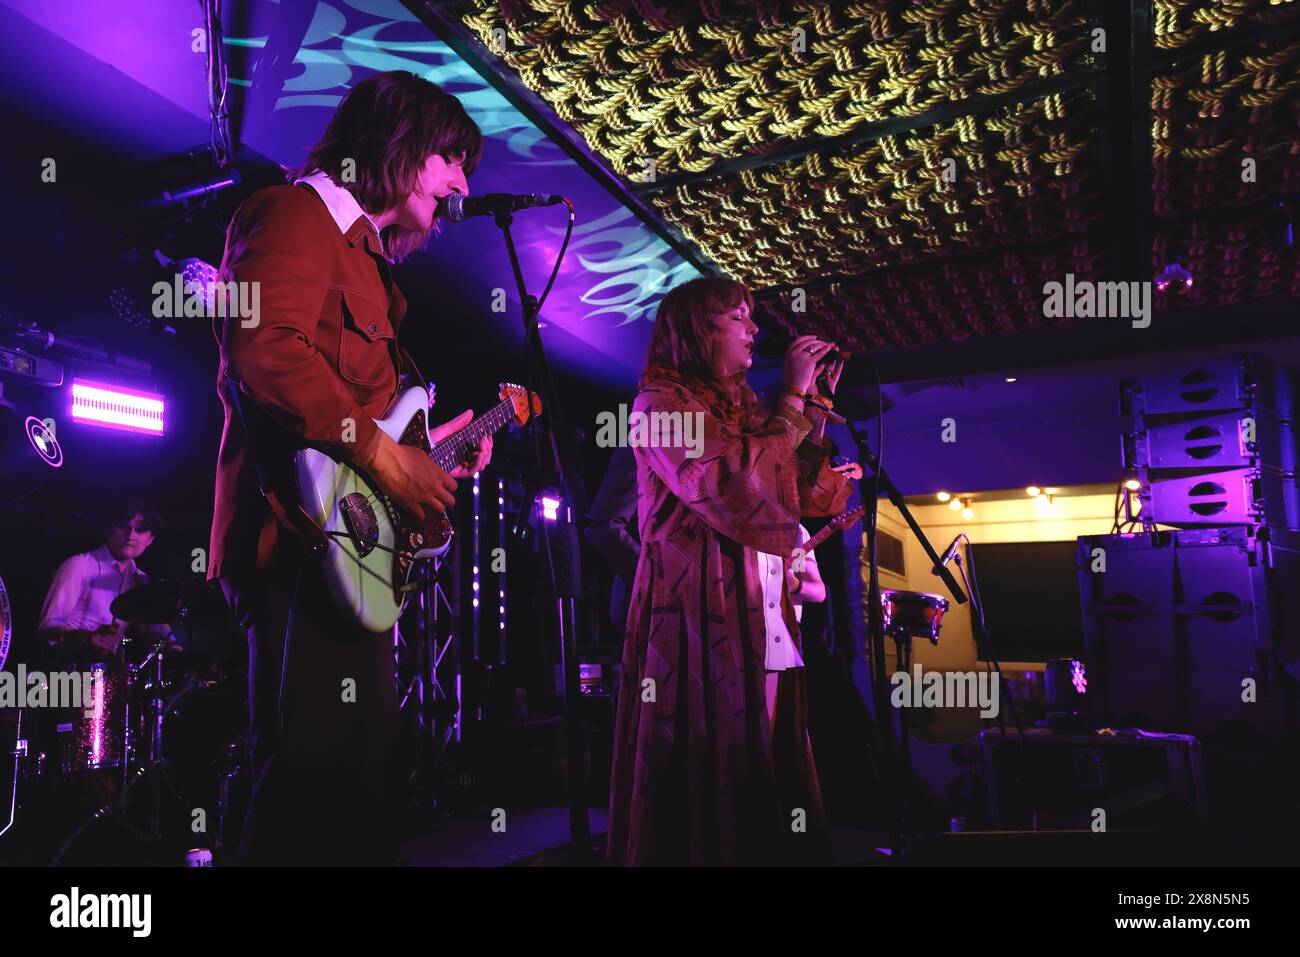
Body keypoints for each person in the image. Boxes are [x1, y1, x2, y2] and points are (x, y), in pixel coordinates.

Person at [209, 70, 491, 864]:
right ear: (395, 143)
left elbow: (374, 417)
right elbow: (263, 350)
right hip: (296, 545)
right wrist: (382, 455)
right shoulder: (293, 213)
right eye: (449, 157)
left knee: (359, 791)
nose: (462, 184)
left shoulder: (370, 264)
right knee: (308, 790)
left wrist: (429, 454)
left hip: (348, 545)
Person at [606, 275, 853, 865]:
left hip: (761, 609)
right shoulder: (659, 404)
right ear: (699, 329)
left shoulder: (747, 412)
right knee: (711, 762)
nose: (755, 329)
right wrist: (792, 402)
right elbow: (732, 487)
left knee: (763, 762)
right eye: (739, 317)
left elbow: (808, 498)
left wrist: (812, 410)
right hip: (699, 609)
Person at [37, 499, 173, 662]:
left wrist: (175, 647)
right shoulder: (79, 565)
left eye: (140, 530)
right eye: (123, 527)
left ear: (150, 539)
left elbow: (155, 632)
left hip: (105, 675)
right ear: (108, 529)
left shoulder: (140, 580)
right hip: (66, 671)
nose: (131, 536)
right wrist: (87, 637)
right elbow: (47, 627)